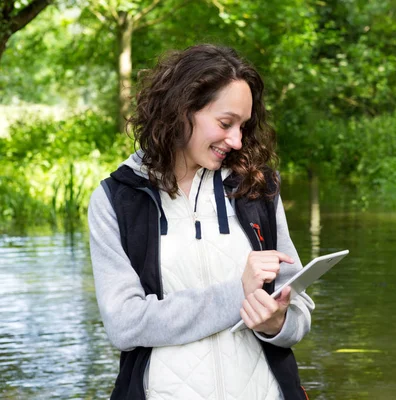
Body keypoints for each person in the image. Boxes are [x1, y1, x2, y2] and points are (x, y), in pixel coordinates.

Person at [88, 44, 314, 400]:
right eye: (225, 123)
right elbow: (125, 323)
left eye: (243, 126)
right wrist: (239, 294)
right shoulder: (116, 200)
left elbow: (297, 308)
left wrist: (277, 324)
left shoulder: (257, 187)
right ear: (182, 109)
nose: (237, 140)